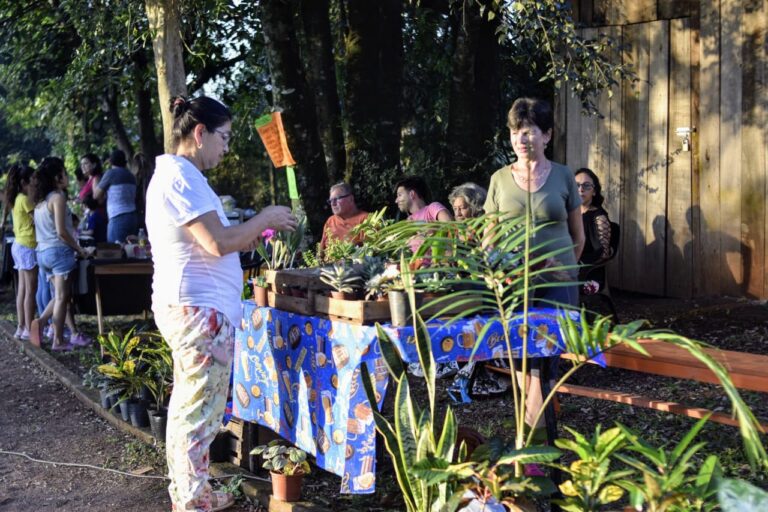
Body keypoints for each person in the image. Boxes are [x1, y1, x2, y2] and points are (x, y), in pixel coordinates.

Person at [147, 95, 297, 512]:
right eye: (224, 137)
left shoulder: (181, 176)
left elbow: (215, 243)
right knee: (199, 412)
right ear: (199, 134)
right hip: (198, 311)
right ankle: (193, 500)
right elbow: (216, 243)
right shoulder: (180, 177)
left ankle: (191, 492)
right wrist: (264, 219)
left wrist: (253, 233)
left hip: (195, 308)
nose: (227, 147)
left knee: (191, 407)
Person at [484, 97, 585, 451]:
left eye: (528, 132)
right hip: (514, 285)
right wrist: (494, 274)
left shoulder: (563, 176)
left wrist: (564, 270)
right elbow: (489, 238)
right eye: (515, 132)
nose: (520, 139)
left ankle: (531, 441)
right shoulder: (499, 180)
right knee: (522, 362)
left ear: (547, 135)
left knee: (545, 363)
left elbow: (579, 236)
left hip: (558, 286)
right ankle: (537, 440)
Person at [29, 157, 92, 350]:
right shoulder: (57, 198)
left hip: (43, 252)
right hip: (58, 253)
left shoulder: (40, 202)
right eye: (64, 173)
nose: (67, 177)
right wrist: (79, 249)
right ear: (57, 177)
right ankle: (58, 340)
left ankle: (41, 322)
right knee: (62, 298)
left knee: (58, 296)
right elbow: (62, 232)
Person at [4, 164, 38, 340]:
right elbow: (38, 220)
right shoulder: (25, 200)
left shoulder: (16, 198)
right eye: (33, 179)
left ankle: (21, 327)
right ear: (25, 182)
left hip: (19, 245)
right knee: (30, 291)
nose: (35, 182)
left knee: (23, 290)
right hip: (28, 245)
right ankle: (27, 329)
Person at [575, 168, 612, 288]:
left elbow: (603, 253)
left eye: (586, 186)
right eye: (576, 185)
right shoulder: (568, 213)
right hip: (564, 266)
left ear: (594, 191)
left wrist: (577, 264)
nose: (580, 189)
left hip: (588, 273)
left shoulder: (599, 217)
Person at [94, 149, 138, 243]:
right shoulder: (131, 176)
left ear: (110, 161)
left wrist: (94, 179)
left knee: (115, 252)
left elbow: (96, 195)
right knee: (131, 251)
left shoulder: (111, 173)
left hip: (118, 217)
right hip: (133, 217)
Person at [319, 182, 368, 252]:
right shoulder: (330, 221)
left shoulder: (366, 219)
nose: (333, 204)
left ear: (351, 199)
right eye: (331, 201)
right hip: (329, 262)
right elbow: (321, 252)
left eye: (336, 199)